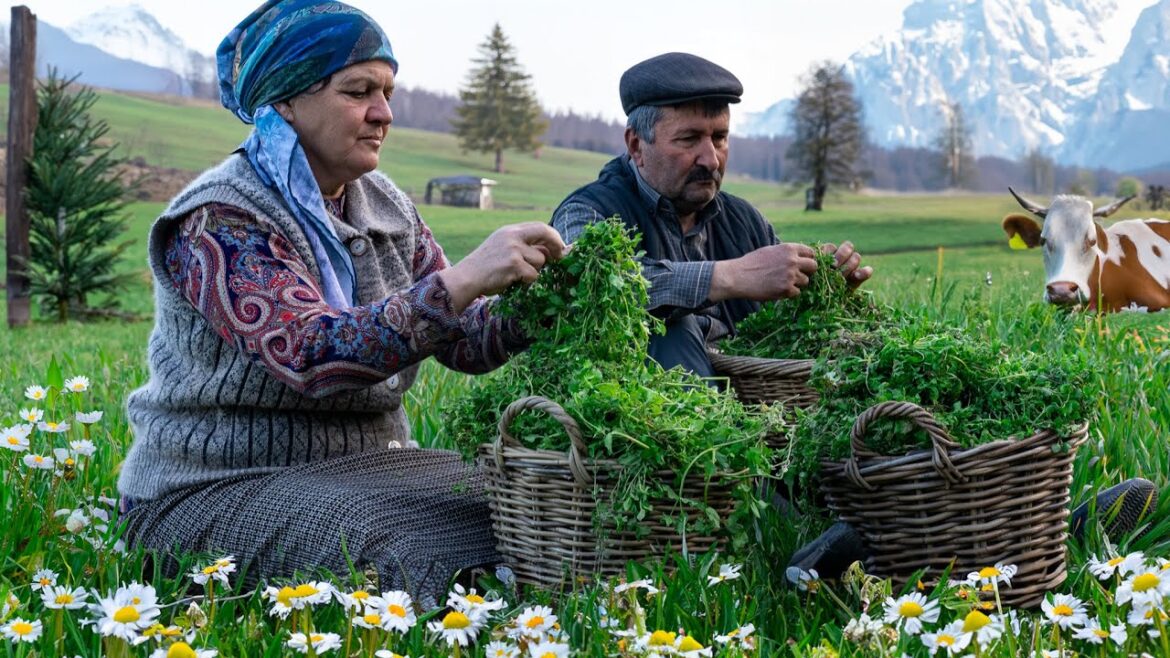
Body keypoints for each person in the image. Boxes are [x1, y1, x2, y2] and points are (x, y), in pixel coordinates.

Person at [117, 0, 565, 603]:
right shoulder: (221, 216)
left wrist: (548, 299)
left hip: (372, 466)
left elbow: (465, 341)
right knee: (404, 554)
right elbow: (310, 354)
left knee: (522, 504)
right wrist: (462, 280)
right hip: (216, 484)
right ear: (287, 101)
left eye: (387, 92)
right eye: (359, 92)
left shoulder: (383, 202)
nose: (383, 113)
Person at [551, 52, 873, 378]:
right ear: (636, 146)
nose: (711, 160)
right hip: (641, 417)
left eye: (719, 138)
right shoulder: (589, 212)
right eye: (689, 139)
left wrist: (822, 291)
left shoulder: (744, 221)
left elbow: (775, 331)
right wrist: (732, 276)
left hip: (754, 412)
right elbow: (589, 290)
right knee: (670, 327)